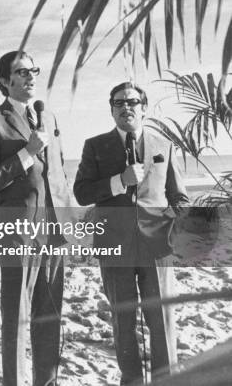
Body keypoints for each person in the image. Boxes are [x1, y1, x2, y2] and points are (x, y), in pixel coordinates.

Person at [74, 82, 189, 385]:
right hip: (114, 245)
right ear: (111, 109)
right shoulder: (95, 146)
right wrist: (118, 181)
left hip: (156, 246)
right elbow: (82, 193)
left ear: (144, 107)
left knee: (162, 322)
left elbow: (180, 199)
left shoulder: (164, 145)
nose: (126, 107)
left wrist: (168, 224)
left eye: (132, 102)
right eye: (118, 103)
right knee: (123, 322)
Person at [0, 50, 75, 386]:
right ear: (5, 80)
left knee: (49, 318)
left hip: (54, 230)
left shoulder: (49, 117)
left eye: (34, 69)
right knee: (16, 320)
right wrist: (26, 153)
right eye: (22, 72)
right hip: (18, 231)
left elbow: (59, 173)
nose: (32, 76)